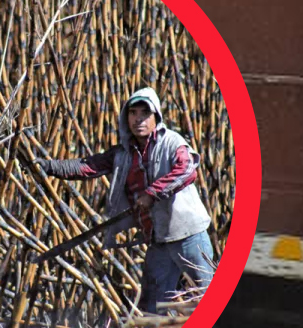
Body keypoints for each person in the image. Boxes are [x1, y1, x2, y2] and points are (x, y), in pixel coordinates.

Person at [37, 87, 217, 314]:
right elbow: (88, 166)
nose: (139, 119)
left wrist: (151, 194)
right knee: (153, 306)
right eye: (133, 113)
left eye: (145, 113)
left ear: (156, 117)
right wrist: (50, 167)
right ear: (126, 117)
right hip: (158, 239)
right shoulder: (124, 153)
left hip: (188, 235)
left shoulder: (172, 142)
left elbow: (187, 169)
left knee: (207, 295)